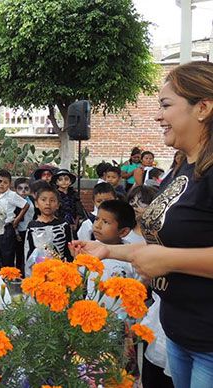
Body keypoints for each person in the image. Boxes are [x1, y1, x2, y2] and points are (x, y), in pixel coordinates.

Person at [71, 61, 213, 388]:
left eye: (166, 106)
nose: (158, 116)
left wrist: (170, 261)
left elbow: (168, 256)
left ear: (203, 108)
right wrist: (107, 249)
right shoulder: (181, 167)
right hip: (179, 332)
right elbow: (160, 247)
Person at [86, 200, 138, 309]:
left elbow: (140, 288)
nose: (97, 225)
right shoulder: (89, 249)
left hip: (120, 317)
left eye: (105, 222)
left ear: (123, 232)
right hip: (91, 314)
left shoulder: (132, 256)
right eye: (96, 219)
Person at [24, 185, 73, 266]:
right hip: (40, 268)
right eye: (43, 200)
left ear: (58, 205)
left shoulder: (64, 224)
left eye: (52, 200)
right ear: (36, 203)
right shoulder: (32, 226)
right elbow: (28, 250)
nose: (48, 203)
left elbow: (69, 249)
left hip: (61, 268)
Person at [0, 170, 29, 268]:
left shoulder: (11, 195)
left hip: (6, 230)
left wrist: (17, 220)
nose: (2, 184)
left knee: (7, 258)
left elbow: (25, 205)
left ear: (9, 184)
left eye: (5, 182)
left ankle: (8, 280)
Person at [13, 177, 35, 275]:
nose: (23, 191)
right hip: (19, 231)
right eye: (20, 188)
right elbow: (14, 219)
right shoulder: (15, 202)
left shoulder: (31, 200)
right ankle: (19, 273)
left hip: (30, 230)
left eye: (26, 188)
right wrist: (16, 233)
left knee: (29, 253)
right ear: (15, 190)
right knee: (19, 254)